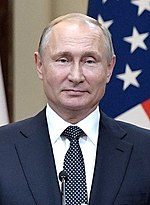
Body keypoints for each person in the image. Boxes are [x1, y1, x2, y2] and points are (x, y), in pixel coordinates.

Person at [0, 13, 150, 205]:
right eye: (63, 60)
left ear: (109, 68)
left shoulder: (145, 151)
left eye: (89, 61)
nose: (76, 76)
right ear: (39, 65)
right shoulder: (4, 148)